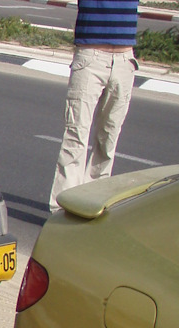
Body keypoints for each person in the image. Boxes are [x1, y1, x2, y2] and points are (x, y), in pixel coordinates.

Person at [48, 0, 140, 212]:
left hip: (125, 61)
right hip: (90, 58)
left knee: (108, 138)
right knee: (76, 136)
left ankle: (93, 204)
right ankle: (62, 210)